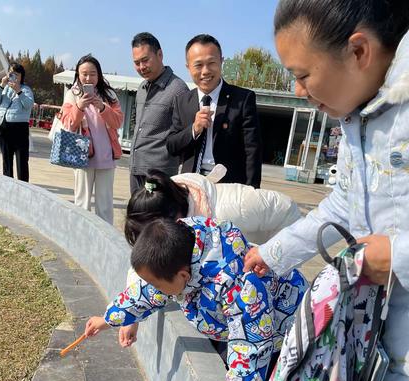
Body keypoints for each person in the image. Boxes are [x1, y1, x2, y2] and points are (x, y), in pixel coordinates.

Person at [243, 0, 409, 381]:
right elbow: (343, 205)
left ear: (359, 51)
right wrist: (273, 254)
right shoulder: (359, 117)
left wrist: (398, 254)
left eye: (302, 74)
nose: (299, 90)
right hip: (374, 342)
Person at [84, 216, 307, 381]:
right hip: (257, 323)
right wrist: (109, 319)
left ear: (182, 275)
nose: (153, 288)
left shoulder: (238, 285)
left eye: (156, 283)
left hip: (286, 329)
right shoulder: (185, 249)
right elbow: (147, 292)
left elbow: (252, 336)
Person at [167, 35, 263, 187]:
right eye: (198, 65)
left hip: (229, 187)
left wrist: (252, 191)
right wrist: (194, 129)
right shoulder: (182, 101)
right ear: (188, 67)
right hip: (192, 184)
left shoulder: (243, 99)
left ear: (221, 62)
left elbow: (252, 151)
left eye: (211, 63)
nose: (205, 71)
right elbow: (172, 146)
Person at [124, 166, 301, 247]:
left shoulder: (235, 207)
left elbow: (288, 211)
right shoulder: (169, 199)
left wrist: (270, 257)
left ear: (175, 217)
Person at [60, 55, 123, 225]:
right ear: (78, 75)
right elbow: (69, 124)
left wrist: (102, 107)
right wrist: (79, 106)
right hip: (82, 156)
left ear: (99, 75)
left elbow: (118, 121)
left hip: (106, 157)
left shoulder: (109, 94)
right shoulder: (72, 95)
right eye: (84, 74)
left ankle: (105, 241)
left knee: (105, 204)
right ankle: (80, 237)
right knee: (82, 202)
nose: (88, 78)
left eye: (93, 74)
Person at [129, 32, 189, 194]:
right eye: (136, 63)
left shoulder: (178, 89)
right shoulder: (141, 88)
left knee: (157, 218)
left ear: (160, 54)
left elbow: (183, 136)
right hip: (136, 169)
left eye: (145, 60)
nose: (141, 67)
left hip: (160, 174)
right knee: (137, 217)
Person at [0, 63, 34, 182]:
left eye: (16, 74)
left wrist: (18, 91)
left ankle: (23, 185)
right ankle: (8, 184)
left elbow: (29, 105)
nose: (13, 76)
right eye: (11, 73)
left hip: (20, 128)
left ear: (21, 76)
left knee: (22, 160)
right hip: (5, 127)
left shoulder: (26, 90)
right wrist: (1, 85)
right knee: (7, 159)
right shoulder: (4, 88)